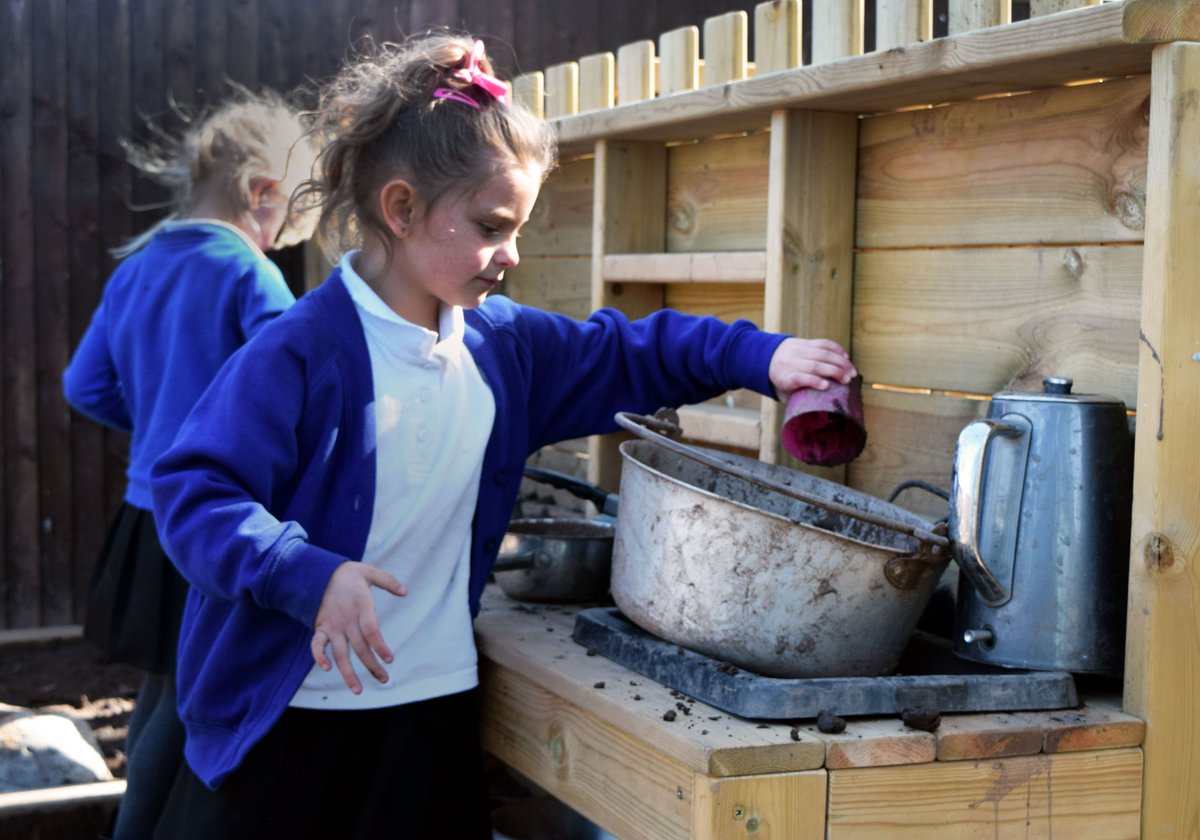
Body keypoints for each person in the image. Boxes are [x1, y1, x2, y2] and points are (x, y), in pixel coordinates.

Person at [147, 32, 857, 839]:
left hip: (429, 711)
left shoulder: (504, 348)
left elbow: (630, 352)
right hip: (289, 722)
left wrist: (764, 357)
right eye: (492, 226)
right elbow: (194, 492)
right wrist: (303, 573)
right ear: (403, 209)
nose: (510, 254)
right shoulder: (297, 353)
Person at [61, 88, 320, 840]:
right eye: (286, 226)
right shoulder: (249, 274)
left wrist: (158, 435)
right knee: (193, 703)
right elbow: (292, 388)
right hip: (218, 524)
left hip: (149, 514)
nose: (280, 243)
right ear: (260, 194)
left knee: (167, 687)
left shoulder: (137, 268)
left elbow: (86, 385)